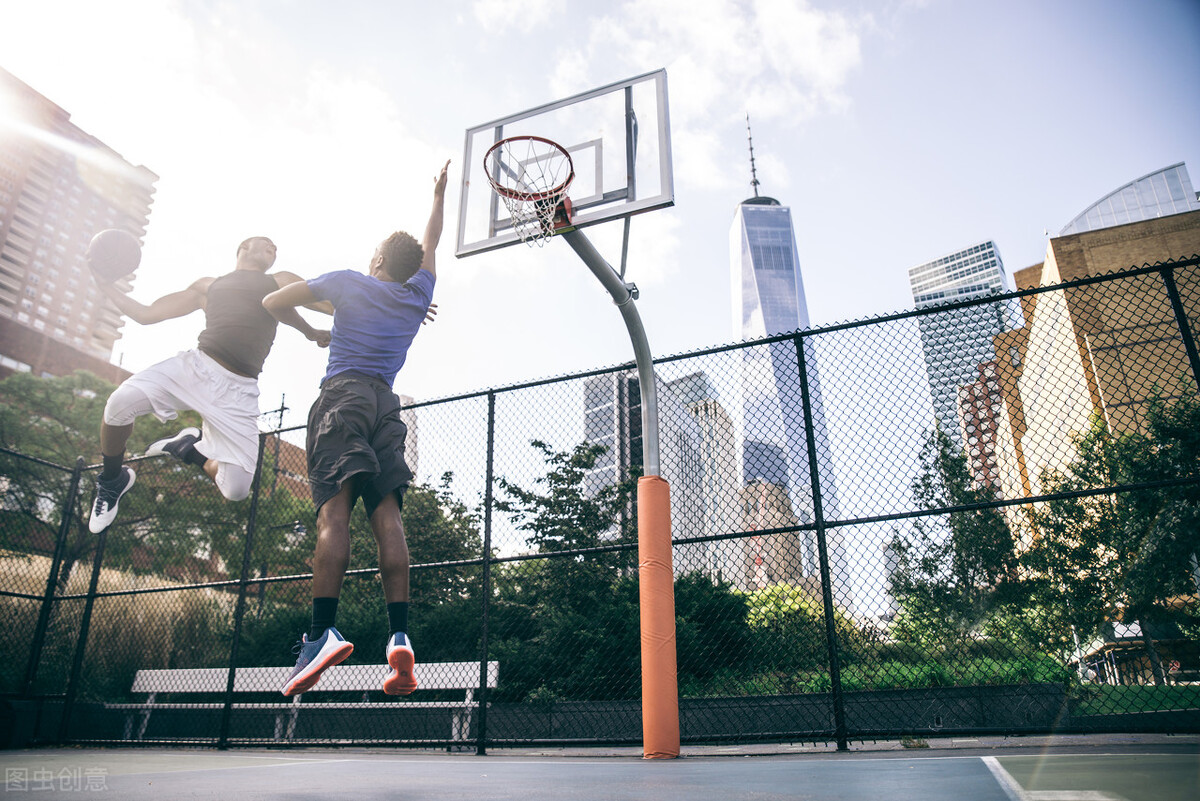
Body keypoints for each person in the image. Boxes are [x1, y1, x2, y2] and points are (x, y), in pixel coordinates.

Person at [263, 160, 449, 698]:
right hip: (386, 409)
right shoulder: (418, 297)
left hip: (342, 397)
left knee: (334, 514)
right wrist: (437, 198)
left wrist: (318, 329)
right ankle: (400, 636)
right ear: (412, 269)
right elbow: (432, 242)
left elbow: (273, 301)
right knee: (386, 517)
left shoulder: (349, 282)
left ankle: (321, 633)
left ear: (376, 260)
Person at [87, 236, 332, 534]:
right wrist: (106, 286)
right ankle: (112, 480)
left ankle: (188, 448)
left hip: (239, 390)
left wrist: (320, 326)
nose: (274, 248)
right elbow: (146, 314)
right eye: (266, 243)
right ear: (243, 246)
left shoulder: (281, 280)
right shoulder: (208, 286)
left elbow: (325, 304)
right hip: (197, 368)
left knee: (236, 490)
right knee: (118, 404)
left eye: (276, 248)